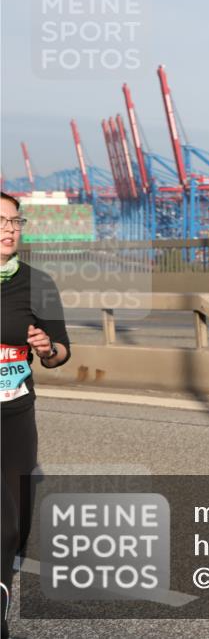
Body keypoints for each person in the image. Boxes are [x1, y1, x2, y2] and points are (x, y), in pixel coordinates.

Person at [1, 192, 71, 639]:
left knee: (15, 518)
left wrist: (48, 349)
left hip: (14, 415)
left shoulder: (38, 283)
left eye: (15, 221)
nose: (10, 228)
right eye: (0, 221)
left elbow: (61, 350)